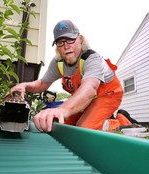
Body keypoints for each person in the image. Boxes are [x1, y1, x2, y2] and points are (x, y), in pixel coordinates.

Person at [8, 19, 137, 132]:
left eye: (70, 40)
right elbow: (42, 84)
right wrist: (25, 85)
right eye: (60, 42)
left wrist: (63, 109)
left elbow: (89, 89)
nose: (66, 46)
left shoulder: (92, 59)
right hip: (86, 98)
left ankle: (122, 121)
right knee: (60, 124)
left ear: (80, 39)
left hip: (107, 94)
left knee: (84, 127)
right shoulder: (58, 62)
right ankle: (98, 116)